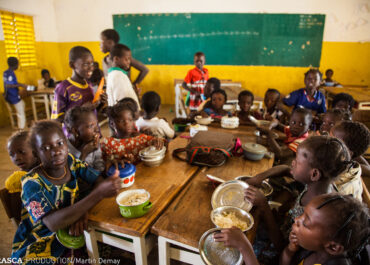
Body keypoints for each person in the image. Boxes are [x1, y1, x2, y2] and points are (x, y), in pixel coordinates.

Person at [11, 120, 121, 264]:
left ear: (66, 143)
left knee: (112, 245)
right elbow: (52, 223)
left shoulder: (70, 161)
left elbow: (97, 179)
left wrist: (81, 211)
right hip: (41, 245)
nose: (56, 151)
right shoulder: (31, 183)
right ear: (36, 153)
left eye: (60, 143)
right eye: (46, 147)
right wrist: (97, 194)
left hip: (72, 234)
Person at [242, 136, 352, 257]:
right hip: (283, 223)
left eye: (297, 161)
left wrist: (264, 206)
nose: (292, 162)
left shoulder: (318, 212)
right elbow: (285, 169)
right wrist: (260, 177)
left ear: (314, 174)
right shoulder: (318, 184)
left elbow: (281, 245)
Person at [281, 194, 369, 265]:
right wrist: (290, 250)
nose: (296, 219)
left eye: (305, 223)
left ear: (333, 247)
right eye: (303, 214)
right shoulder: (313, 245)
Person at [51, 46, 106, 124]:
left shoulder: (89, 85)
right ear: (72, 65)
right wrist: (81, 110)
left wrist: (100, 104)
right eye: (86, 64)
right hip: (73, 135)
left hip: (92, 132)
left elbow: (92, 112)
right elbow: (57, 119)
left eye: (92, 64)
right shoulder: (63, 88)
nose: (91, 68)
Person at [101, 101, 165, 166]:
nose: (127, 123)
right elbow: (105, 167)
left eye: (130, 120)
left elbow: (162, 144)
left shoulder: (140, 139)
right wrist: (118, 161)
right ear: (112, 124)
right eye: (122, 121)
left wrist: (157, 141)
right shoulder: (108, 144)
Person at [331, 121, 370, 197]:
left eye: (333, 141)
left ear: (348, 153)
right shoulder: (351, 167)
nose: (326, 142)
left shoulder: (339, 183)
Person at [64, 106, 105, 172]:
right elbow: (72, 176)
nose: (97, 129)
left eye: (97, 124)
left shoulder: (93, 143)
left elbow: (99, 166)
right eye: (91, 126)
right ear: (75, 131)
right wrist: (84, 154)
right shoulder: (64, 150)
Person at [106, 44, 140, 108]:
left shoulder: (117, 74)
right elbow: (122, 102)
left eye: (129, 59)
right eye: (126, 59)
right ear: (116, 59)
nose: (129, 62)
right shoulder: (118, 76)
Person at [3, 57, 30, 129]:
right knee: (20, 112)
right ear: (14, 64)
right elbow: (9, 85)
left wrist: (20, 85)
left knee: (22, 104)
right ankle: (21, 129)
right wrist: (21, 85)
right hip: (13, 96)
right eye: (18, 64)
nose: (18, 65)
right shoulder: (10, 73)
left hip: (9, 95)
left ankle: (23, 124)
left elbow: (10, 83)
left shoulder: (6, 72)